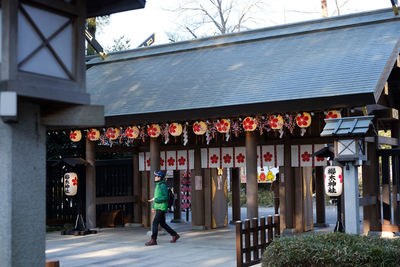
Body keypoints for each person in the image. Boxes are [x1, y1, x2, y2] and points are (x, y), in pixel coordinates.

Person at [145, 171, 180, 246]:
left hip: (161, 207)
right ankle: (175, 235)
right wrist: (153, 206)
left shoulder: (162, 186)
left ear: (160, 177)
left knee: (155, 223)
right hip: (158, 207)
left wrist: (155, 200)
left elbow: (165, 197)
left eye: (156, 176)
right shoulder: (158, 185)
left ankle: (153, 240)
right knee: (163, 224)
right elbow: (156, 197)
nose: (155, 177)